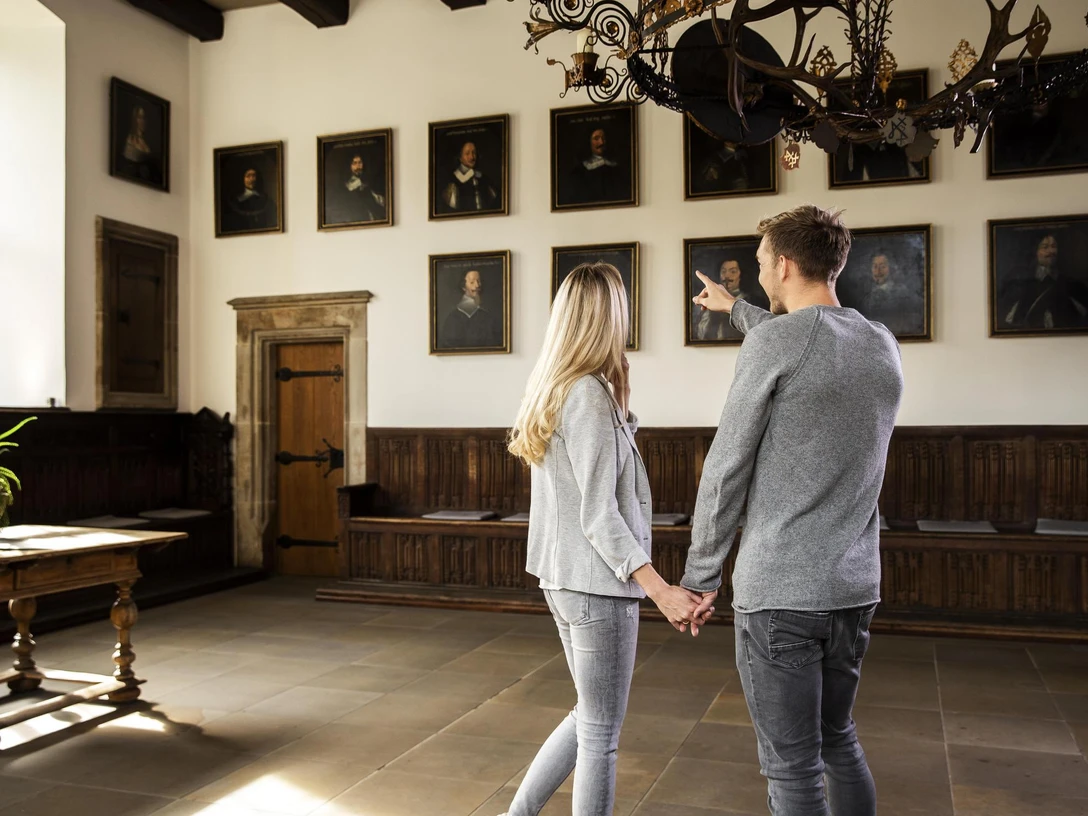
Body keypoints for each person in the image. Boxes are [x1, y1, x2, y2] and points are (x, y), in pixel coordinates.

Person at [684, 205, 904, 816]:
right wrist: (736, 311)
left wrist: (699, 577)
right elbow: (808, 342)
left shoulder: (777, 344)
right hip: (854, 589)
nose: (757, 277)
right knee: (839, 740)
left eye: (759, 266)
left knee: (791, 766)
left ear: (783, 264)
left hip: (781, 593)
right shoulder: (879, 343)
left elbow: (726, 470)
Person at [504, 262, 711, 816]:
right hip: (597, 585)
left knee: (588, 716)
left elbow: (591, 483)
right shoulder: (586, 395)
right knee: (600, 731)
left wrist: (622, 401)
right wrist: (661, 589)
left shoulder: (557, 388)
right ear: (607, 316)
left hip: (564, 579)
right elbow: (600, 513)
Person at [998, 233, 1088, 331]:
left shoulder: (1073, 285)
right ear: (1035, 252)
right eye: (1045, 247)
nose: (1051, 251)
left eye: (1054, 246)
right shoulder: (1020, 285)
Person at [695, 259, 768, 341]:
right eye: (723, 271)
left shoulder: (755, 301)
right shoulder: (709, 303)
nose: (727, 276)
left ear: (741, 275)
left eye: (733, 272)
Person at [860, 252, 924, 336]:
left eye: (883, 266)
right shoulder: (868, 296)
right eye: (875, 266)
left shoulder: (903, 294)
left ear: (892, 268)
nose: (878, 271)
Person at [438, 269, 501, 349]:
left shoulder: (487, 315)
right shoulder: (454, 318)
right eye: (472, 282)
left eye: (478, 281)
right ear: (463, 287)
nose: (477, 285)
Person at [568, 128, 623, 204]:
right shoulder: (579, 170)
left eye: (604, 138)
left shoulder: (615, 167)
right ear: (588, 142)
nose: (601, 142)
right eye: (596, 138)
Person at [442, 141, 498, 213]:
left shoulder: (483, 178)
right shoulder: (453, 180)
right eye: (467, 153)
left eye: (474, 153)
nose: (472, 157)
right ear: (460, 157)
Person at [336, 153, 386, 223]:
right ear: (349, 166)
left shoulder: (367, 181)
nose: (358, 166)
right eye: (354, 163)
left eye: (360, 162)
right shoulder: (346, 182)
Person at [227, 167, 277, 232]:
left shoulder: (266, 199)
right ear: (241, 179)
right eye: (248, 176)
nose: (251, 179)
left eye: (254, 176)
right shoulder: (235, 201)